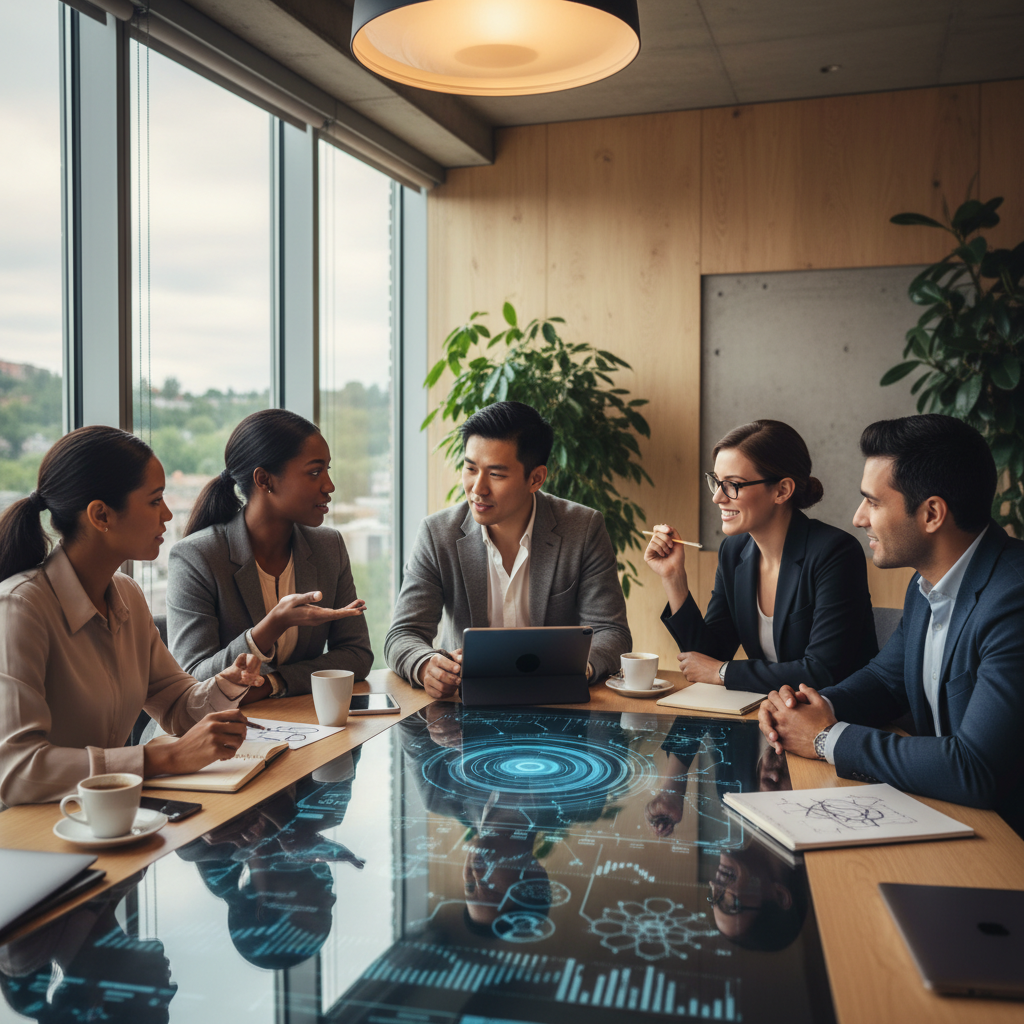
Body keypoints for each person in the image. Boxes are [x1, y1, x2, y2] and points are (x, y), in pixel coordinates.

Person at [759, 415, 1024, 836]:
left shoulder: (1013, 599)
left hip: (1005, 843)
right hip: (945, 814)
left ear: (932, 513)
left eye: (874, 502)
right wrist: (809, 708)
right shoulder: (926, 585)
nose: (859, 517)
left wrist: (827, 739)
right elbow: (885, 681)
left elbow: (976, 768)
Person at [0, 426, 262, 807]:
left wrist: (225, 685)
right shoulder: (20, 609)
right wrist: (162, 757)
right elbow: (16, 769)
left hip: (106, 820)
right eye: (155, 500)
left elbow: (176, 707)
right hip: (27, 840)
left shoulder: (127, 594)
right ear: (101, 515)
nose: (168, 514)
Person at [384, 401, 631, 698]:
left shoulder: (583, 528)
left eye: (496, 474)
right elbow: (402, 634)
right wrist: (425, 665)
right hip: (464, 708)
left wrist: (581, 669)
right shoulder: (438, 534)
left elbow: (612, 633)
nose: (478, 488)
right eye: (470, 468)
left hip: (556, 703)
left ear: (536, 478)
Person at [644, 419, 877, 694]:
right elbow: (707, 656)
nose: (717, 497)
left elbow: (822, 671)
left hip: (837, 719)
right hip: (767, 713)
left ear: (782, 490)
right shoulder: (734, 553)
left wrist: (721, 672)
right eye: (717, 482)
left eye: (733, 484)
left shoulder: (834, 552)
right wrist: (674, 578)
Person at [166, 409, 373, 701]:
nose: (329, 486)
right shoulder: (196, 557)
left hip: (297, 726)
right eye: (315, 472)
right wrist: (271, 626)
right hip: (210, 736)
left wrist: (274, 683)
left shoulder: (328, 547)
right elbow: (193, 680)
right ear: (264, 480)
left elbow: (356, 655)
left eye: (328, 470)